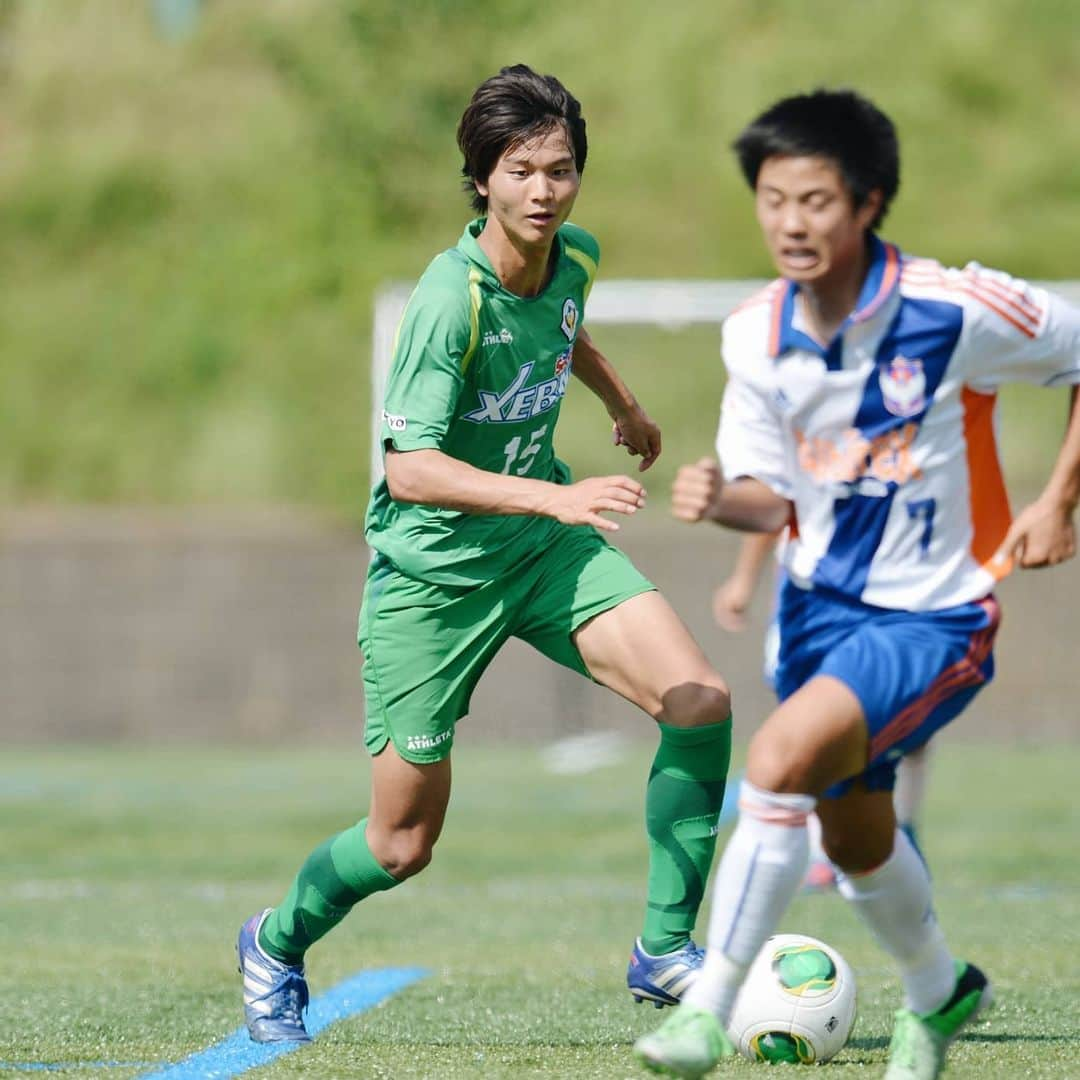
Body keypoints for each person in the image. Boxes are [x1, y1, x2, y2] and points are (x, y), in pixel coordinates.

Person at [237, 64, 734, 1044]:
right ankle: (276, 940)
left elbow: (563, 326)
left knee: (700, 703)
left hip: (543, 554)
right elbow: (410, 469)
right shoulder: (444, 302)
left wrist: (621, 404)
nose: (544, 191)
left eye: (561, 168)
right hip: (432, 586)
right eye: (520, 171)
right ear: (481, 179)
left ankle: (667, 951)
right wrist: (558, 490)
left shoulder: (573, 257)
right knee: (401, 843)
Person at [636, 88, 1080, 1079]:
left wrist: (1060, 501)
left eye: (817, 200)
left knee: (780, 758)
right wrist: (718, 499)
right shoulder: (754, 334)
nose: (792, 222)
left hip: (935, 615)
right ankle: (939, 992)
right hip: (814, 616)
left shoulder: (954, 308)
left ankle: (704, 1010)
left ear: (869, 202)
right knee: (860, 837)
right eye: (773, 198)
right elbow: (772, 496)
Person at [712, 530, 933, 890]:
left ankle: (902, 829)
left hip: (897, 589)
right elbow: (772, 499)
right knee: (813, 723)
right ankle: (821, 852)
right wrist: (744, 578)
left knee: (909, 724)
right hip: (814, 600)